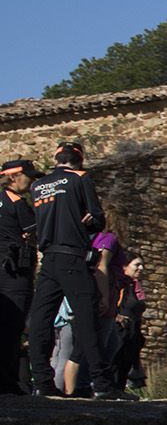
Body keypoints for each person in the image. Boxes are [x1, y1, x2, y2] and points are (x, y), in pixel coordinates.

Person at [27, 142, 127, 400]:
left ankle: (42, 383)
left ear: (56, 158)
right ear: (79, 160)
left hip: (48, 258)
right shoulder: (81, 178)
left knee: (41, 320)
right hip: (73, 257)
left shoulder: (37, 186)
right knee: (87, 320)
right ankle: (101, 383)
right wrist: (89, 220)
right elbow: (97, 218)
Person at [1, 159, 42, 395]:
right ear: (14, 176)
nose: (32, 180)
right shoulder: (17, 203)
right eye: (29, 176)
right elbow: (34, 232)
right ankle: (7, 382)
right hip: (15, 273)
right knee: (12, 327)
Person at [111, 253, 148, 392]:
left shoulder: (135, 286)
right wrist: (116, 316)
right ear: (125, 267)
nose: (141, 268)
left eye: (142, 264)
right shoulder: (120, 284)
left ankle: (119, 391)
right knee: (115, 360)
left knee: (126, 363)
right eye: (137, 264)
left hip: (132, 332)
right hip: (120, 331)